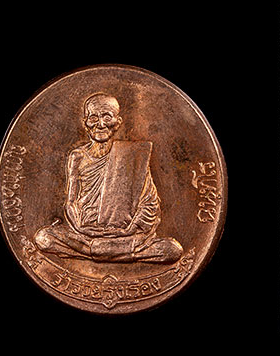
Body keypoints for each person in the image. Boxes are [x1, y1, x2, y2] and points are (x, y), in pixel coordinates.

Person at [34, 93, 183, 263]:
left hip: (124, 234)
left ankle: (94, 252)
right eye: (93, 118)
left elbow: (149, 204)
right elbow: (70, 202)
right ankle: (116, 253)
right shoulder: (77, 156)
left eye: (107, 117)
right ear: (85, 123)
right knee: (43, 238)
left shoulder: (133, 156)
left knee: (172, 249)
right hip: (85, 234)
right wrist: (80, 228)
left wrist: (129, 230)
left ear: (117, 122)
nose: (100, 124)